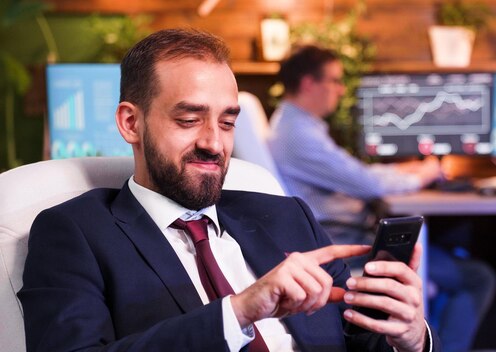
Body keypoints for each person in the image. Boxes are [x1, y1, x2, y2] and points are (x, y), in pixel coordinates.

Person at [18, 29, 439, 352]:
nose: (214, 143)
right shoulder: (74, 233)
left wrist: (409, 336)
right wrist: (238, 313)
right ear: (131, 123)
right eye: (189, 120)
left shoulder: (288, 217)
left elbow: (360, 342)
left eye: (227, 122)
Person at [267, 45, 496, 352]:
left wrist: (409, 168)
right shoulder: (298, 135)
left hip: (343, 237)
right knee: (477, 276)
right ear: (309, 83)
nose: (340, 89)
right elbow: (369, 184)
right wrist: (424, 173)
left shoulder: (295, 125)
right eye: (334, 80)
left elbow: (355, 174)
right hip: (346, 246)